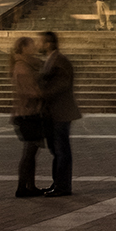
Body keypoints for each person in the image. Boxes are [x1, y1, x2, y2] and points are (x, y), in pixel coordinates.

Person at [38, 31, 82, 196]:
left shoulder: (60, 61)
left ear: (49, 43)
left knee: (62, 150)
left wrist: (41, 92)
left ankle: (62, 187)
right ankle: (58, 183)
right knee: (57, 150)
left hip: (61, 112)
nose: (39, 45)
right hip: (54, 112)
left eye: (41, 42)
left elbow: (61, 85)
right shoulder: (51, 60)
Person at [10, 37, 45, 198]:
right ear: (23, 48)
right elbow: (29, 91)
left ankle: (29, 186)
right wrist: (43, 93)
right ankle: (22, 187)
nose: (34, 47)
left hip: (29, 112)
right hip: (27, 113)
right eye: (31, 45)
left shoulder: (27, 64)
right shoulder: (22, 67)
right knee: (29, 152)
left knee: (31, 151)